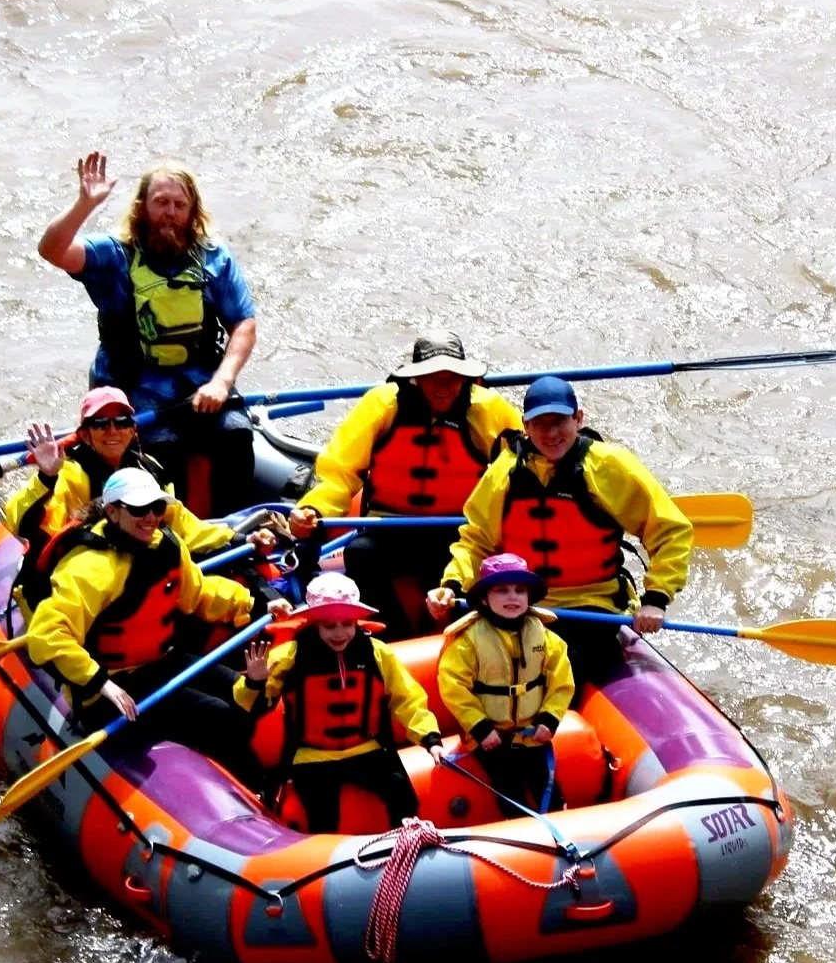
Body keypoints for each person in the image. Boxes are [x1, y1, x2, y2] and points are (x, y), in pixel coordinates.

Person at [24, 468, 282, 791]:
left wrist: (255, 606)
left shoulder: (167, 546)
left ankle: (256, 775)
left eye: (157, 508)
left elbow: (199, 594)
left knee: (251, 692)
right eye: (139, 509)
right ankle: (252, 788)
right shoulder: (88, 567)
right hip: (112, 687)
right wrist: (98, 681)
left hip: (160, 663)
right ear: (113, 511)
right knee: (222, 715)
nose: (150, 518)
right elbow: (46, 635)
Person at [428, 376, 692, 687]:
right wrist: (453, 584)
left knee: (561, 667)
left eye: (560, 421)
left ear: (578, 419)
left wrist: (656, 598)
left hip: (592, 606)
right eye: (540, 423)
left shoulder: (609, 466)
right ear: (526, 426)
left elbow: (670, 530)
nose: (551, 433)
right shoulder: (504, 472)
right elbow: (476, 541)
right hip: (521, 603)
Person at [38, 153, 261, 517]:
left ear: (192, 212)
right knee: (163, 448)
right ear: (143, 208)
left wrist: (222, 381)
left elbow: (243, 325)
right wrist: (84, 204)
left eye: (179, 204)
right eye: (161, 203)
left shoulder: (213, 258)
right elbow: (52, 250)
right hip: (132, 382)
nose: (170, 212)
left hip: (198, 380)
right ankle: (165, 534)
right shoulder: (114, 255)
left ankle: (232, 534)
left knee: (237, 436)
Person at [286, 334, 522, 639]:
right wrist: (312, 509)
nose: (443, 386)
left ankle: (447, 634)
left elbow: (521, 466)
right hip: (390, 525)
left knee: (472, 571)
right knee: (359, 554)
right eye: (433, 377)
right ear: (416, 378)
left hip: (456, 527)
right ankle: (391, 637)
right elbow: (340, 472)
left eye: (452, 377)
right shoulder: (382, 405)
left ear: (465, 378)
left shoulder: (488, 410)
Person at [234, 573, 441, 834]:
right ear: (315, 624)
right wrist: (254, 681)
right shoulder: (290, 656)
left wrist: (430, 739)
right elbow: (249, 705)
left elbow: (408, 698)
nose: (340, 633)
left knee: (402, 796)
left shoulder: (377, 653)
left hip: (367, 749)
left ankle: (408, 847)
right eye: (330, 626)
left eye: (347, 624)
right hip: (311, 756)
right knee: (323, 818)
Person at [4, 386, 238, 613]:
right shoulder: (69, 474)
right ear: (85, 435)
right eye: (101, 424)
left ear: (132, 430)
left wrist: (233, 538)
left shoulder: (147, 470)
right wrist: (46, 477)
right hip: (83, 580)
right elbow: (20, 523)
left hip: (133, 572)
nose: (113, 430)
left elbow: (181, 523)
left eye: (122, 422)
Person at [435, 554, 575, 812]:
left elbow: (561, 680)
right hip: (490, 736)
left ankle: (561, 830)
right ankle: (520, 830)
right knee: (508, 787)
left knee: (549, 789)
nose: (513, 597)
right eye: (502, 590)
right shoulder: (469, 640)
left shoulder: (543, 635)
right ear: (485, 599)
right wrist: (479, 728)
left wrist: (550, 718)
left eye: (520, 591)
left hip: (531, 733)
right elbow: (453, 685)